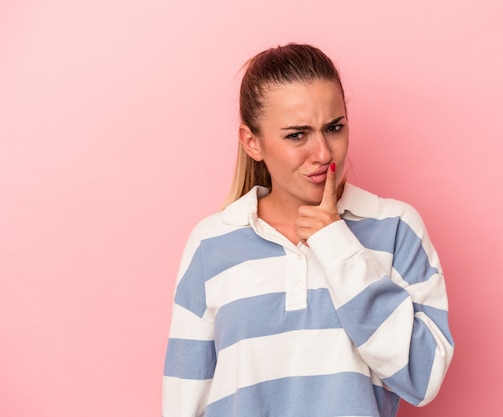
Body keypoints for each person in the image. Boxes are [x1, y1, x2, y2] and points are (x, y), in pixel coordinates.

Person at [163, 43, 454, 417]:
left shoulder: (396, 228)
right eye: (296, 135)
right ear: (253, 142)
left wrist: (336, 244)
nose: (322, 153)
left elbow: (423, 377)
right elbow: (184, 398)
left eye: (334, 128)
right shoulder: (211, 243)